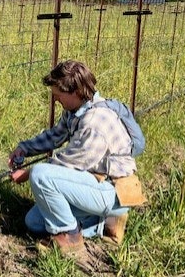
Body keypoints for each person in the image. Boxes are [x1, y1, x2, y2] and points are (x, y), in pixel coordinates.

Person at [8, 60, 146, 254]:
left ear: (75, 92)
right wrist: (24, 149)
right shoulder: (76, 111)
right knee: (35, 222)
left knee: (41, 174)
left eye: (58, 95)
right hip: (93, 183)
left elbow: (69, 164)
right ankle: (101, 223)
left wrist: (28, 174)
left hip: (112, 190)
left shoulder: (95, 122)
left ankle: (70, 236)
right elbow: (55, 136)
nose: (55, 99)